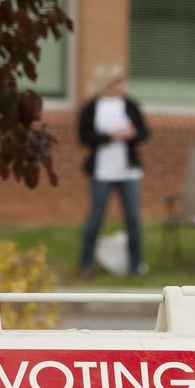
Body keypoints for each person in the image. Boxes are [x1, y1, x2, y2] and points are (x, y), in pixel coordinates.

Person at [76, 63, 149, 277]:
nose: (123, 84)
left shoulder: (130, 105)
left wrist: (132, 134)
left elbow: (144, 133)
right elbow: (84, 137)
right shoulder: (92, 107)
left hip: (128, 171)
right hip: (102, 172)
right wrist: (110, 135)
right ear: (108, 83)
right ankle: (86, 264)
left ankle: (135, 265)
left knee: (133, 218)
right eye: (119, 80)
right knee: (95, 216)